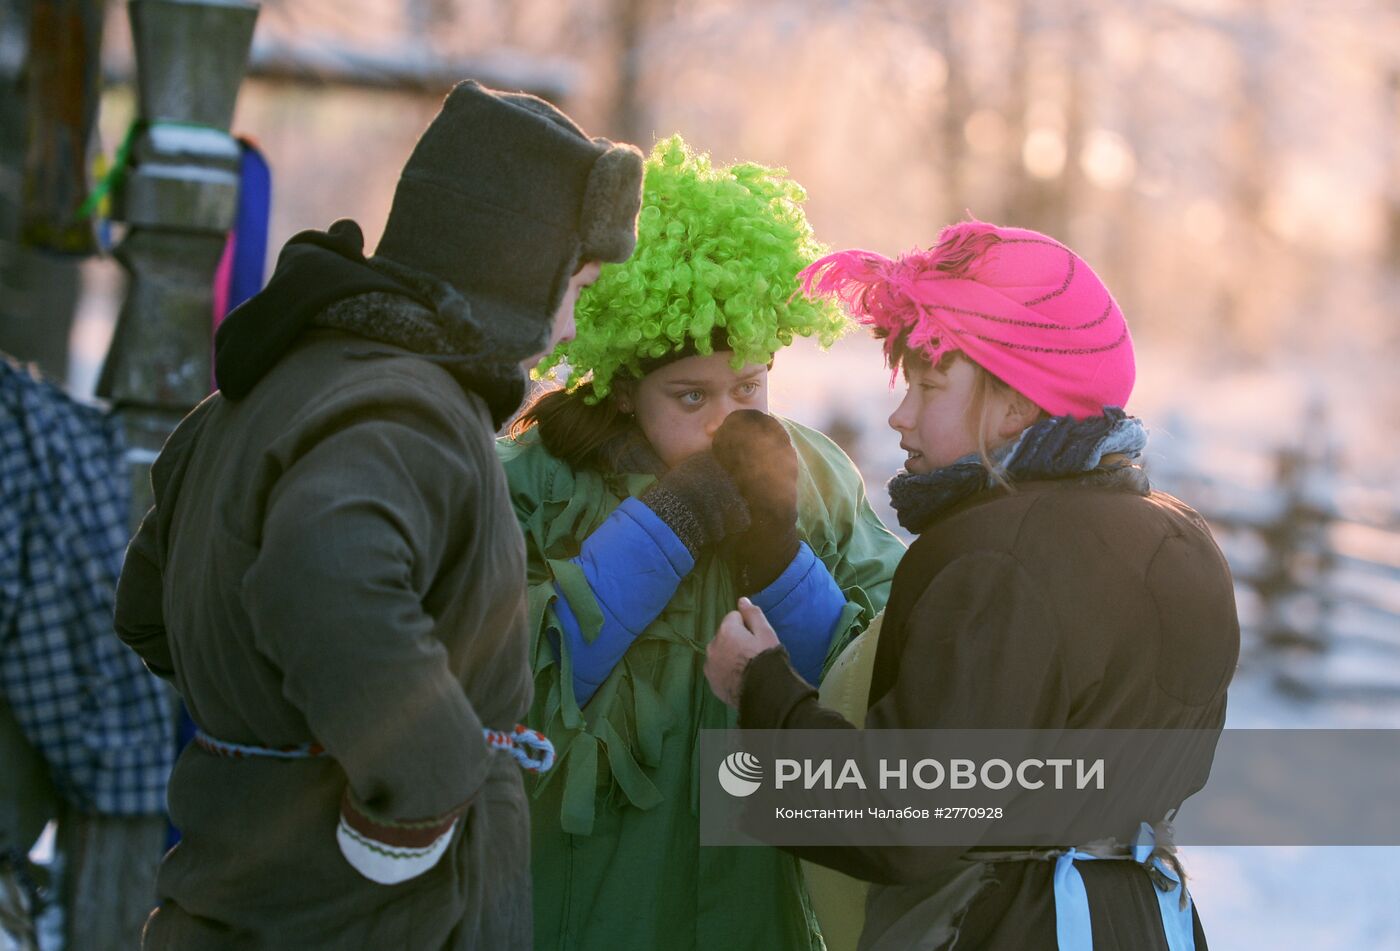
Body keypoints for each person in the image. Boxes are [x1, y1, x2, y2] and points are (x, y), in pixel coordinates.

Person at [112, 80, 644, 949]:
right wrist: (419, 794)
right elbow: (322, 576)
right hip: (363, 919)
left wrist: (272, 714)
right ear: (519, 262)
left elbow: (148, 606)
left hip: (240, 904)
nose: (573, 321)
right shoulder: (411, 407)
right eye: (575, 283)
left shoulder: (261, 392)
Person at [705, 220, 1240, 951]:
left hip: (1005, 926)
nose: (900, 415)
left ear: (1017, 403)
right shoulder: (1181, 539)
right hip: (1145, 918)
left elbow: (904, 819)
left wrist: (762, 687)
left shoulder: (998, 558)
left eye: (930, 386)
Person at [499, 135, 906, 950]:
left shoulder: (812, 472)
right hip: (583, 908)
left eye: (749, 385)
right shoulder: (532, 480)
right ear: (620, 386)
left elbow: (880, 682)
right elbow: (506, 684)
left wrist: (785, 566)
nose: (727, 420)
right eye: (691, 396)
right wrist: (667, 526)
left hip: (756, 913)